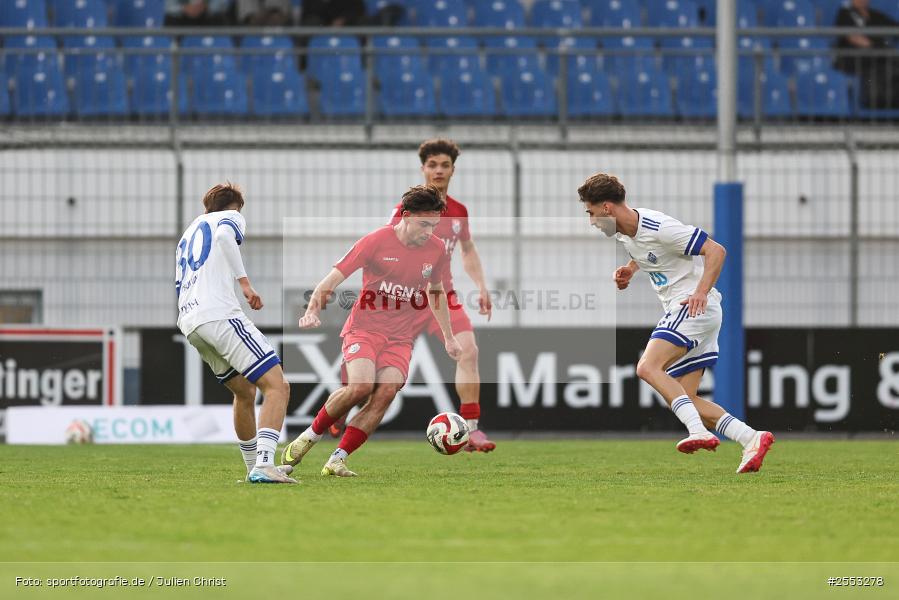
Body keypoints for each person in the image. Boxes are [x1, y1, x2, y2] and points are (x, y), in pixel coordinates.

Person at [578, 173, 774, 474]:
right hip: (697, 312)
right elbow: (651, 253)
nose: (591, 221)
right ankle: (751, 438)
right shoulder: (625, 232)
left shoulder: (659, 227)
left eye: (591, 213)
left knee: (647, 367)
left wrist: (700, 292)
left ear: (606, 208)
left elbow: (716, 250)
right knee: (685, 398)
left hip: (691, 306)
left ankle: (698, 432)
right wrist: (631, 269)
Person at [281, 185, 463, 477]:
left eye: (434, 225)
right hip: (364, 329)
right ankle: (308, 437)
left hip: (400, 337)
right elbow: (333, 279)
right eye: (424, 224)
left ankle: (337, 459)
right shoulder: (376, 241)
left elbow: (436, 292)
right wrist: (312, 310)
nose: (429, 232)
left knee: (386, 392)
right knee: (361, 387)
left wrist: (449, 337)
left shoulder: (436, 249)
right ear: (406, 216)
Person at [176, 183, 296, 484]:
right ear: (236, 206)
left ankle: (254, 467)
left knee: (244, 392)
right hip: (219, 314)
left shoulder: (187, 234)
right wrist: (244, 283)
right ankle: (265, 464)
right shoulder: (229, 217)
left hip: (190, 321)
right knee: (278, 386)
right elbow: (224, 237)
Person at [834, 0, 899, 109]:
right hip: (857, 60)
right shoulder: (845, 14)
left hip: (880, 58)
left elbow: (894, 28)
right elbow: (854, 38)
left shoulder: (875, 15)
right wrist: (877, 47)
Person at [164, 0, 234, 26]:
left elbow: (223, 3)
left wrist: (205, 7)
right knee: (171, 19)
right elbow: (169, 7)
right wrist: (185, 8)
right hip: (182, 19)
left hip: (208, 17)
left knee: (221, 18)